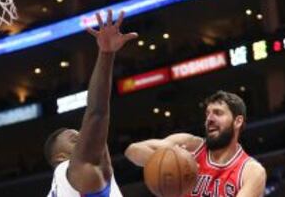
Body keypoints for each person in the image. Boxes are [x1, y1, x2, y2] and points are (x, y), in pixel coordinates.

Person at [44, 10, 138, 197]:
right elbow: (97, 113)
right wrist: (106, 54)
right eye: (76, 141)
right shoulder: (78, 171)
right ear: (61, 157)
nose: (89, 140)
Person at [125, 90, 267, 197]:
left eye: (218, 113)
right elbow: (132, 151)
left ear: (238, 121)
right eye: (207, 114)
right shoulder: (189, 144)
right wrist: (178, 163)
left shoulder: (252, 171)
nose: (210, 118)